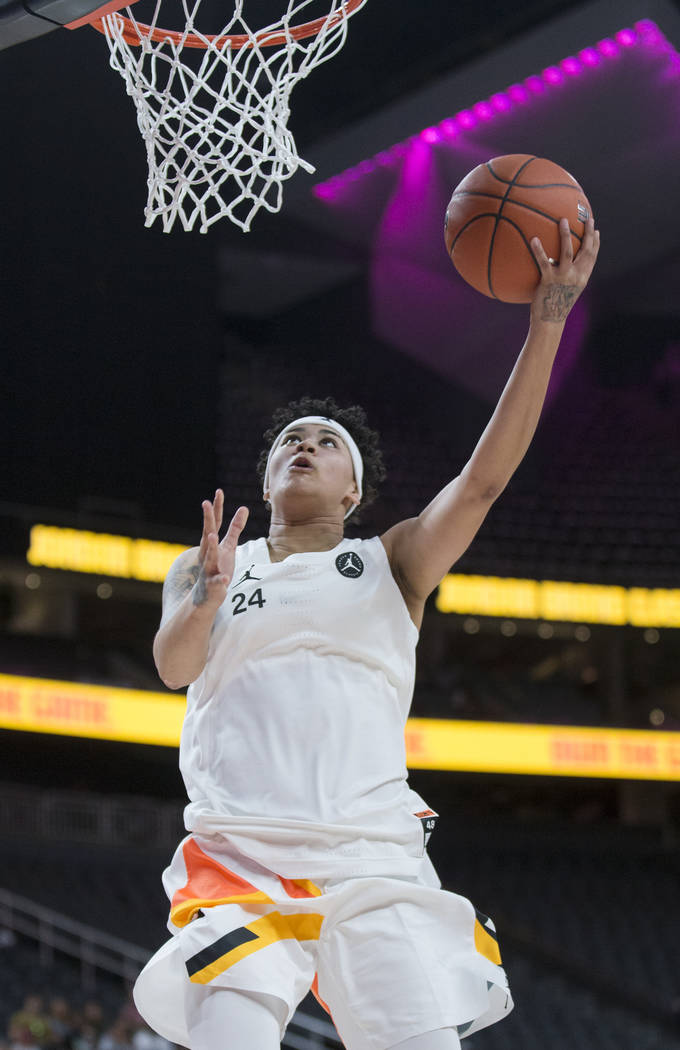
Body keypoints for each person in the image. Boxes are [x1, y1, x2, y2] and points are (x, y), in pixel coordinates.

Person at [133, 218, 600, 1050]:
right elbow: (174, 669)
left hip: (373, 860)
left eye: (325, 443)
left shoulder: (394, 561)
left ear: (354, 492)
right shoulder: (208, 564)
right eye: (289, 440)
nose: (303, 446)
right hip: (241, 855)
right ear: (268, 475)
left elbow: (484, 481)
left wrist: (548, 322)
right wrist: (205, 597)